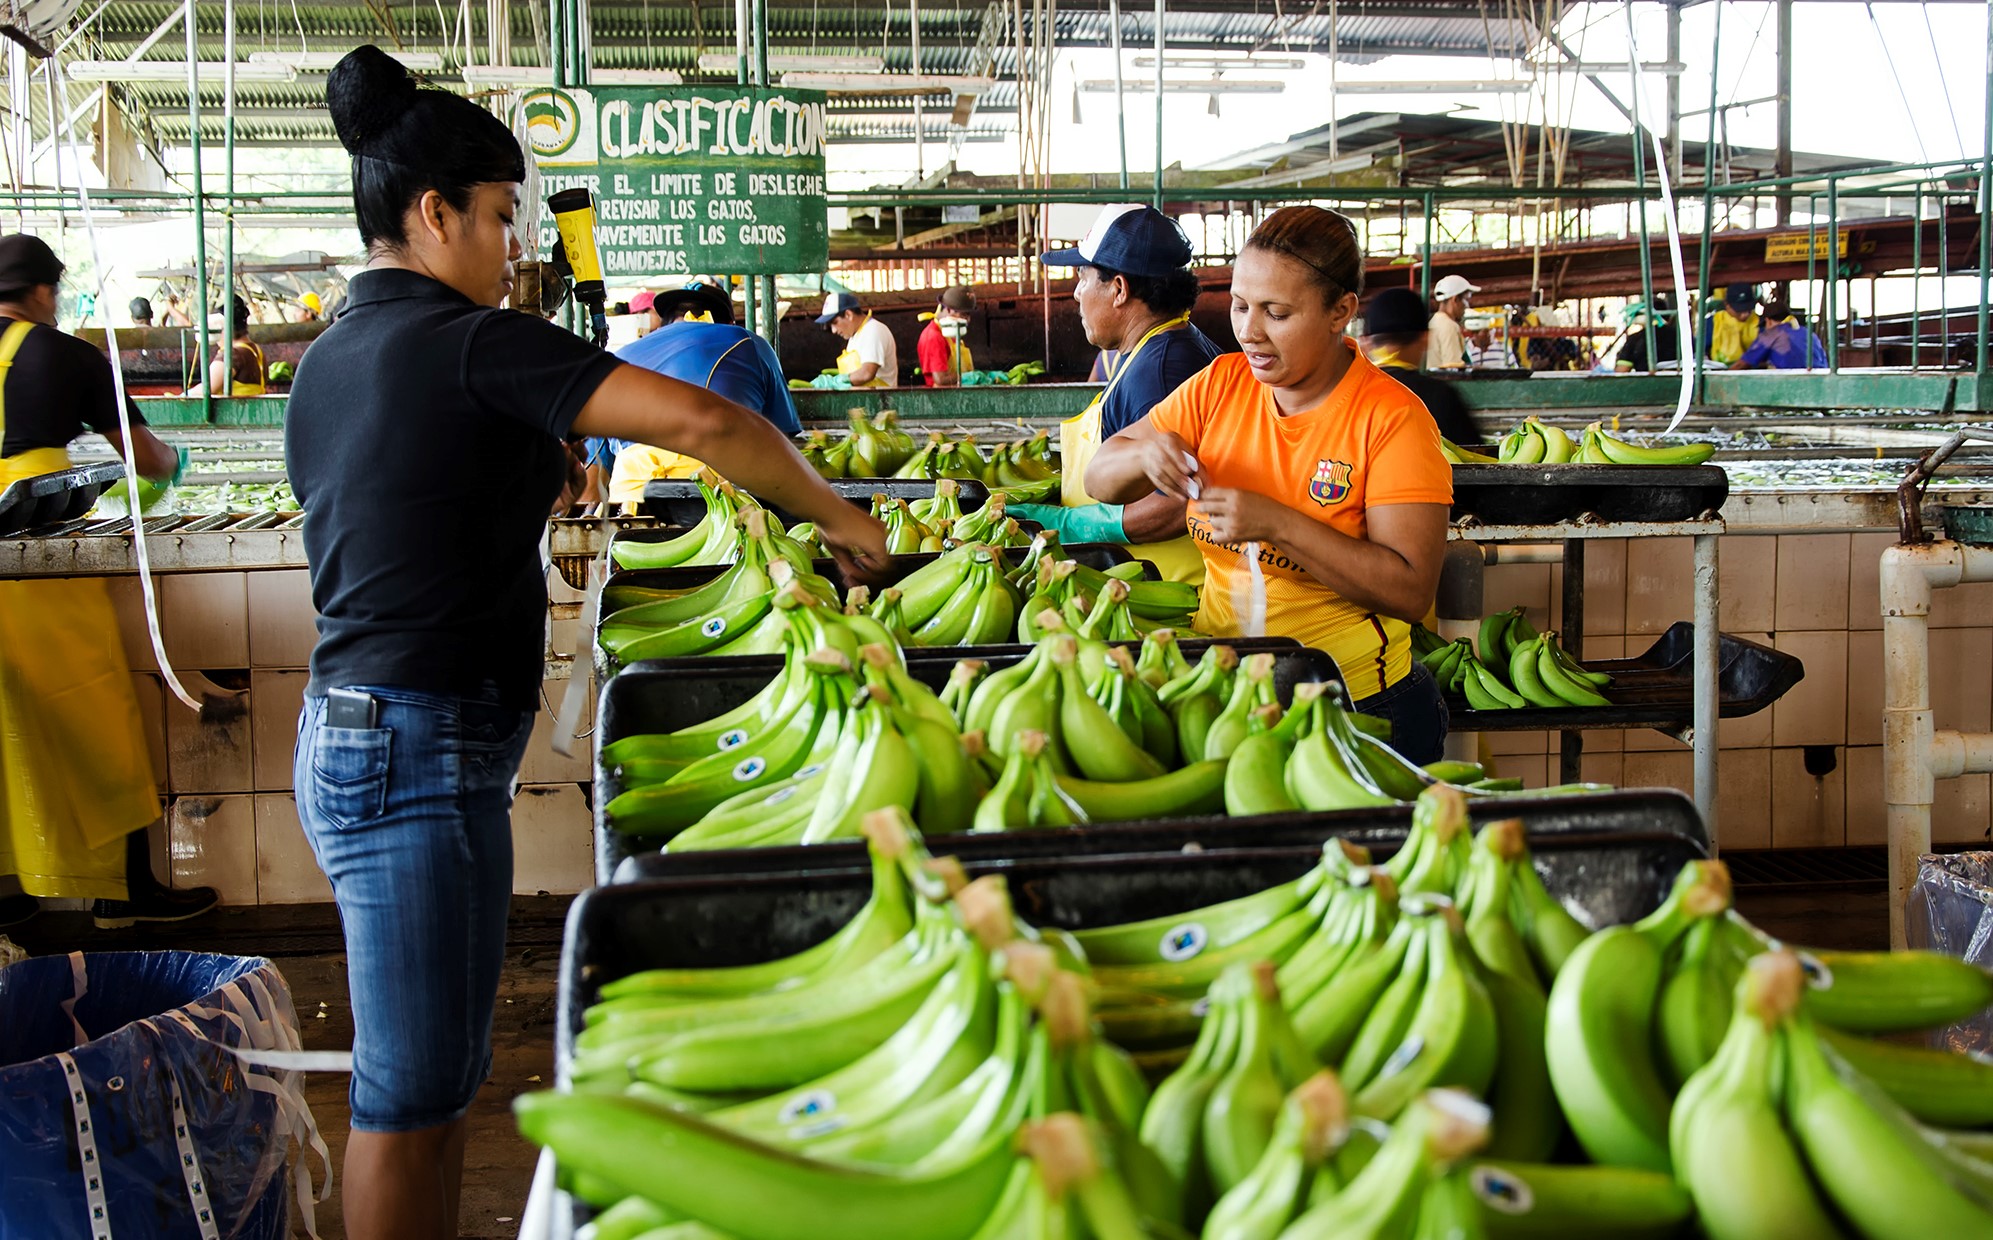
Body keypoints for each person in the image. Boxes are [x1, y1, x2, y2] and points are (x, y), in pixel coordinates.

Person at [286, 47, 888, 1239]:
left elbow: (412, 505)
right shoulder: (462, 340)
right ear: (434, 211)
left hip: (372, 733)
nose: (514, 244)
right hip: (413, 746)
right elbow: (705, 417)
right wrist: (835, 514)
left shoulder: (334, 358)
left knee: (434, 1078)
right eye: (502, 215)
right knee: (407, 1093)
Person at [1084, 205, 1453, 763]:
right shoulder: (1219, 385)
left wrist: (1278, 524)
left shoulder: (1393, 419)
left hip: (1355, 706)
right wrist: (1146, 454)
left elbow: (1410, 591)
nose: (1249, 331)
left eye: (1275, 312)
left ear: (1340, 312)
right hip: (1224, 689)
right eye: (1238, 306)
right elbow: (1099, 477)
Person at [0, 233, 215, 932]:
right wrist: (172, 462)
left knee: (7, 723)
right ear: (42, 291)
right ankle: (122, 896)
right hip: (32, 542)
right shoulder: (66, 354)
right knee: (95, 715)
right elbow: (146, 458)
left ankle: (14, 895)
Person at [1016, 204, 1222, 584]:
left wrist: (1074, 524)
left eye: (1083, 276)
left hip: (1165, 590)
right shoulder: (1158, 349)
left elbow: (1180, 504)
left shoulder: (1161, 372)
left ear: (1119, 289)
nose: (1077, 293)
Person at [606, 283, 804, 505]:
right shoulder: (747, 342)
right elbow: (782, 436)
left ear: (665, 324)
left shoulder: (620, 356)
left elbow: (600, 461)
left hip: (632, 495)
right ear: (729, 322)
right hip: (717, 491)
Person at [1360, 286, 1480, 446]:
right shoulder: (1441, 397)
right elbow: (1475, 457)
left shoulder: (1350, 395)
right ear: (1425, 339)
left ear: (1365, 343)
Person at [188, 296, 267, 395]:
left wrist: (186, 395)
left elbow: (208, 388)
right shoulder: (255, 350)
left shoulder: (232, 354)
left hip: (236, 410)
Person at [817, 290, 898, 387]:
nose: (833, 330)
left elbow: (866, 374)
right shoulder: (855, 336)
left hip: (880, 401)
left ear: (848, 315)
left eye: (835, 322)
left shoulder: (873, 330)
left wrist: (836, 382)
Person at [1734, 299, 1828, 370]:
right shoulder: (1809, 333)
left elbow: (1742, 364)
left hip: (1791, 385)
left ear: (1768, 321)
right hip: (1820, 384)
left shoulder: (1771, 334)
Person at [916, 285, 977, 386]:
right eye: (964, 314)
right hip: (943, 399)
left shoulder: (952, 333)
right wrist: (969, 377)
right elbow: (940, 380)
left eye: (969, 315)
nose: (968, 320)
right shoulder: (934, 336)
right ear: (949, 310)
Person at [1701, 283, 1761, 367]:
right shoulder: (1714, 322)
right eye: (1739, 311)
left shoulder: (1759, 322)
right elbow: (1702, 350)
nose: (1745, 315)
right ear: (1727, 305)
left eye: (1748, 310)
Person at [1616, 294, 1680, 372]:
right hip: (1681, 382)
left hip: (1646, 383)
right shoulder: (1682, 336)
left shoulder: (1635, 339)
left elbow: (1622, 371)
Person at [1427, 273, 1477, 369]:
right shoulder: (1449, 326)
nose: (1467, 306)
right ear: (1455, 299)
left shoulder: (1434, 322)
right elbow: (1453, 368)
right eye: (1466, 300)